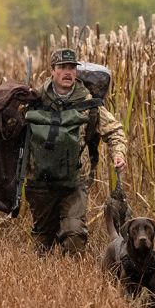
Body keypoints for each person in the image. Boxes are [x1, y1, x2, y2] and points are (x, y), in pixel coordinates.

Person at [24, 47, 127, 256]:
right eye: (62, 67)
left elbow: (115, 131)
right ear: (52, 70)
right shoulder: (35, 100)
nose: (68, 72)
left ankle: (72, 276)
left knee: (74, 235)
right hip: (40, 182)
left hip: (74, 180)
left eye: (72, 67)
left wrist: (119, 153)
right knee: (43, 242)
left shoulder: (89, 103)